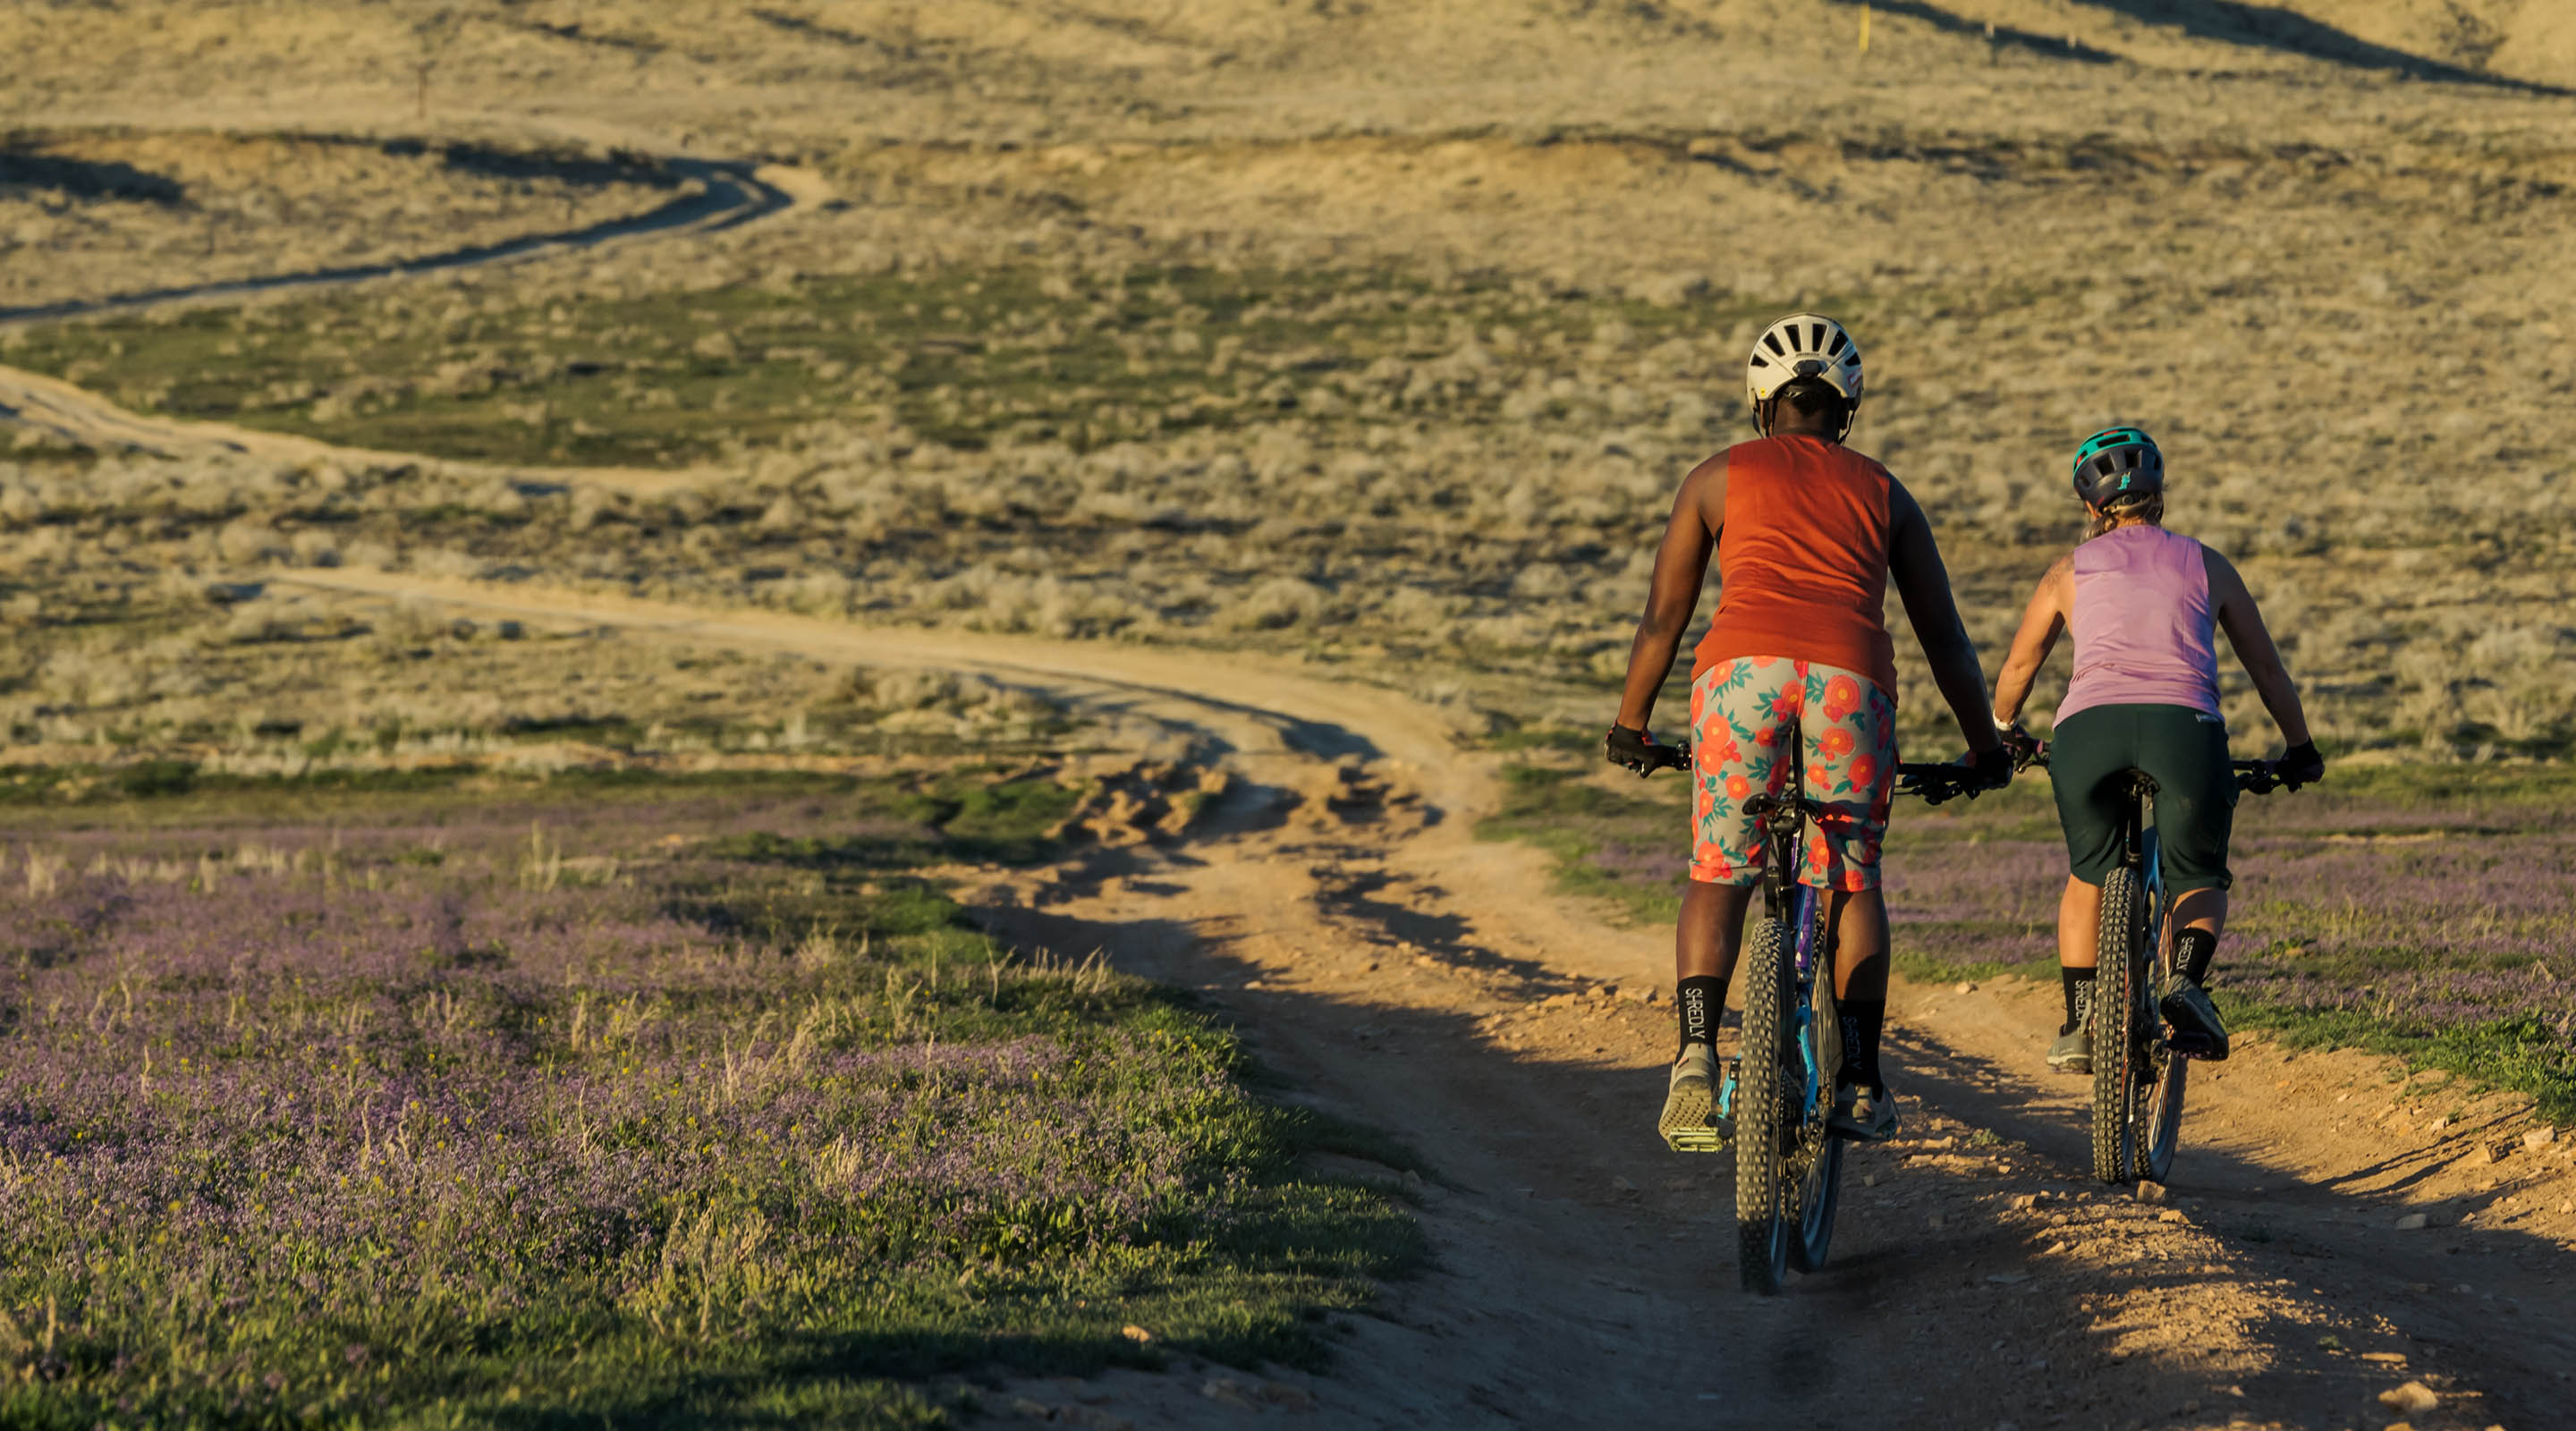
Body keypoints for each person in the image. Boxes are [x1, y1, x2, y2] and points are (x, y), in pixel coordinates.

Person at [1606, 312, 2011, 1151]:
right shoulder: (1885, 490)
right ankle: (1859, 1079)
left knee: (1720, 872)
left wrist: (1631, 722)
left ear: (1763, 405)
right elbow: (1946, 640)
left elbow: (1664, 617)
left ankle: (1692, 1058)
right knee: (1851, 879)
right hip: (1850, 681)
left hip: (1740, 680)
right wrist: (1985, 746)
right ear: (1847, 408)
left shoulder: (1715, 477)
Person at [1987, 427, 2324, 1072]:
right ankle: (2187, 983)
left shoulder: (2067, 572)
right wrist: (2300, 747)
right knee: (2197, 872)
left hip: (2087, 733)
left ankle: (2082, 1021)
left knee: (2089, 873)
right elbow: (2268, 671)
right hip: (2185, 729)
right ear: (2159, 494)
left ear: (2092, 507)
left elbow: (2020, 665)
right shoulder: (2207, 563)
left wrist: (2005, 730)